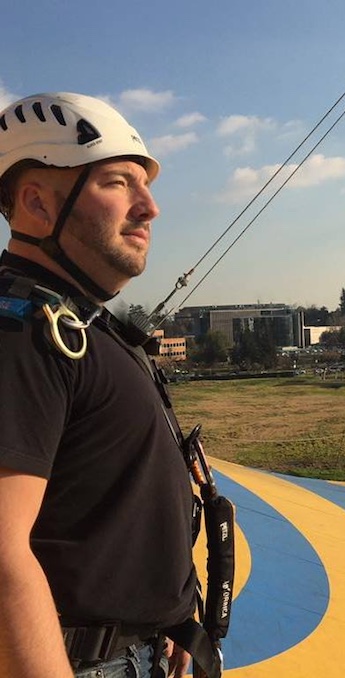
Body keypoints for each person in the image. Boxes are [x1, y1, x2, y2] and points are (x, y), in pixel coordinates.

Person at [0, 92, 199, 677]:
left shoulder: (79, 323)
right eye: (117, 182)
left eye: (146, 185)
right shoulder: (20, 333)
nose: (149, 208)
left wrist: (169, 616)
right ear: (37, 203)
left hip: (138, 651)